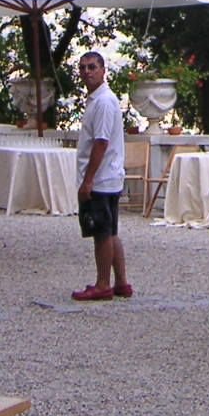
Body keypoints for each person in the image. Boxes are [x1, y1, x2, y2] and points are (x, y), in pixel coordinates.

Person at [72, 51, 132, 301]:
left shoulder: (104, 102)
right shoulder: (97, 100)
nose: (87, 72)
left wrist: (88, 180)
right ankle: (120, 283)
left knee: (101, 232)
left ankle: (103, 283)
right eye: (83, 67)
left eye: (92, 67)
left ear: (103, 70)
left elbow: (101, 143)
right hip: (108, 177)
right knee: (110, 231)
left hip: (102, 179)